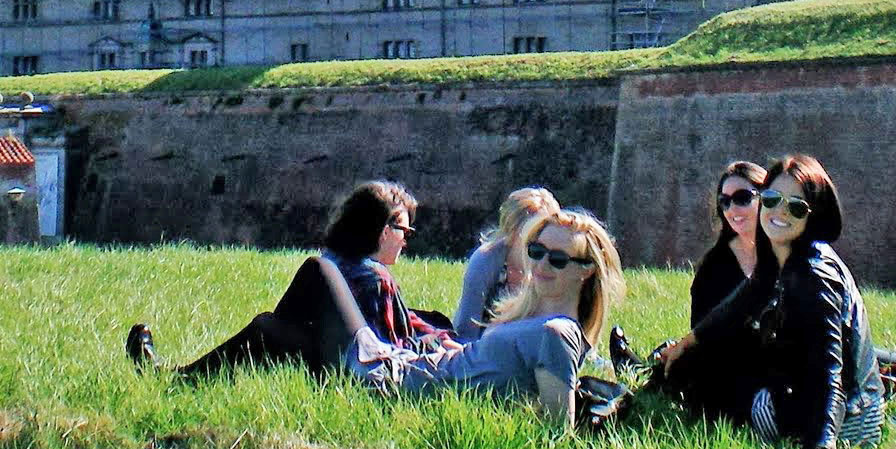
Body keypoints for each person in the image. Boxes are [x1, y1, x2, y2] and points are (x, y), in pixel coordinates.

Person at [656, 154, 884, 449]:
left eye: (796, 206)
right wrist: (685, 343)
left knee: (721, 383)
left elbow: (828, 375)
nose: (779, 212)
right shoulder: (780, 253)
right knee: (697, 360)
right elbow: (740, 304)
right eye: (773, 199)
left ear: (812, 215)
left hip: (849, 418)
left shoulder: (816, 276)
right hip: (806, 390)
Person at [321, 206, 626, 430]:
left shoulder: (558, 332)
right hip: (405, 365)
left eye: (558, 259)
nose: (542, 264)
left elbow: (556, 431)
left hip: (395, 380)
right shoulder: (533, 317)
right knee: (302, 310)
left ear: (586, 270)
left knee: (321, 272)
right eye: (536, 251)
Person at [129, 179, 448, 378]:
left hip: (318, 352)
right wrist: (438, 340)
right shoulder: (375, 279)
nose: (407, 239)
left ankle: (178, 378)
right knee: (268, 326)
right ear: (382, 230)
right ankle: (176, 379)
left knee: (266, 327)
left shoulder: (335, 261)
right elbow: (391, 351)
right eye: (404, 230)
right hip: (345, 369)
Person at [657, 160, 771, 422]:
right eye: (725, 202)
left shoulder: (783, 256)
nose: (733, 209)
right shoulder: (714, 267)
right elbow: (705, 333)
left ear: (766, 198)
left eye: (742, 198)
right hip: (733, 370)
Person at [453, 186, 559, 341]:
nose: (541, 244)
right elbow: (466, 329)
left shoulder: (558, 264)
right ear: (512, 230)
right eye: (532, 235)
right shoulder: (485, 260)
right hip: (485, 345)